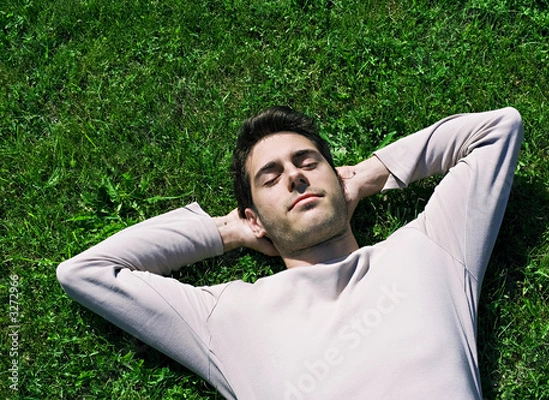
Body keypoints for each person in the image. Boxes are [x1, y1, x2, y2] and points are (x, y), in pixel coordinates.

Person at [57, 106, 523, 399]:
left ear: (335, 177)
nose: (295, 177)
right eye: (270, 177)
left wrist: (363, 175)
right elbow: (86, 272)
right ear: (254, 216)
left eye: (307, 162)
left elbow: (498, 128)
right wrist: (226, 231)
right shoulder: (224, 317)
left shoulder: (430, 251)